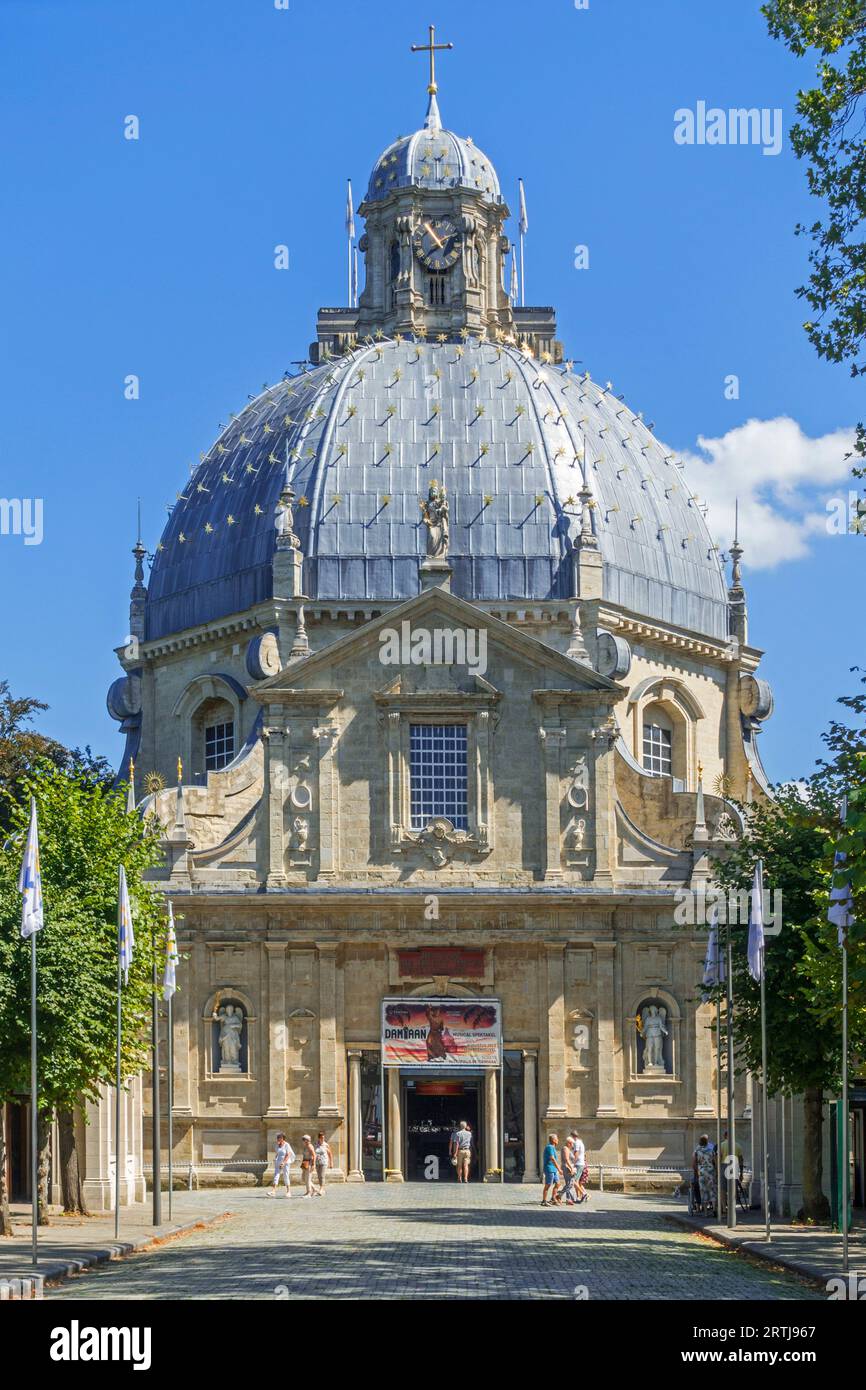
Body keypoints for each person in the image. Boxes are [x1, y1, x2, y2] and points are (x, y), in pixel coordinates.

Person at [692, 1133, 716, 1212]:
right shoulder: (711, 1150)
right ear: (707, 1142)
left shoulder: (697, 1151)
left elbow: (694, 1163)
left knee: (703, 1192)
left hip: (701, 1173)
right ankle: (714, 1210)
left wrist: (696, 1173)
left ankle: (705, 1212)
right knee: (712, 1191)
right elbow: (714, 1161)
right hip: (710, 1172)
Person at [269, 1133, 294, 1197]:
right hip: (278, 1162)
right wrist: (275, 1158)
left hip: (285, 1162)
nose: (277, 1139)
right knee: (276, 1175)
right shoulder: (277, 1145)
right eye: (277, 1138)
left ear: (282, 1138)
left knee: (286, 1176)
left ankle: (288, 1191)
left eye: (279, 1138)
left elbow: (288, 1154)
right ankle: (273, 1191)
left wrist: (283, 1162)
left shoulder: (286, 1145)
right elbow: (278, 1153)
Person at [542, 1134, 563, 1206]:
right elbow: (552, 1158)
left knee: (558, 1183)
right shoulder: (549, 1147)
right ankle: (544, 1201)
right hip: (549, 1169)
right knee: (548, 1184)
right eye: (557, 1139)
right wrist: (559, 1169)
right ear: (553, 1140)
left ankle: (553, 1199)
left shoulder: (552, 1147)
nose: (558, 1140)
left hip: (553, 1169)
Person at [570, 1130, 588, 1203]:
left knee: (573, 1180)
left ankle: (584, 1194)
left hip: (578, 1164)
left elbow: (576, 1153)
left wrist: (573, 1164)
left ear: (572, 1136)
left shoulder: (577, 1143)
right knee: (576, 1181)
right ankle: (578, 1197)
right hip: (580, 1163)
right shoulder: (580, 1142)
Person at [314, 1131, 333, 1196]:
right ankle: (322, 1189)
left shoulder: (326, 1145)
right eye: (321, 1138)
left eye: (323, 1138)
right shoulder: (316, 1144)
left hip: (324, 1162)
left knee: (322, 1176)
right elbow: (314, 1153)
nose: (322, 1139)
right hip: (317, 1162)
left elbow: (330, 1154)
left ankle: (321, 1188)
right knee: (319, 1176)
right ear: (319, 1138)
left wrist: (331, 1163)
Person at [560, 1135, 577, 1205]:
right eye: (572, 1143)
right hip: (567, 1168)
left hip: (568, 1167)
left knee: (569, 1183)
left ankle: (568, 1199)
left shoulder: (567, 1149)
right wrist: (571, 1168)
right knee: (570, 1183)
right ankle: (559, 1195)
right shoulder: (565, 1149)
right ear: (569, 1143)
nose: (572, 1145)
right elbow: (567, 1159)